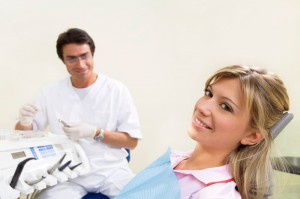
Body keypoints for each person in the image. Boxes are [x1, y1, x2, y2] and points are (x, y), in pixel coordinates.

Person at [116, 65, 290, 199]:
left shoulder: (214, 194)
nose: (202, 106)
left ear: (252, 136)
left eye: (225, 106)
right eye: (209, 94)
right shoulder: (176, 161)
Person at [15, 28, 142, 198]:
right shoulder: (51, 93)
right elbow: (24, 136)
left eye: (84, 56)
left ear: (92, 54)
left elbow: (131, 142)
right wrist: (24, 123)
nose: (80, 65)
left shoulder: (116, 90)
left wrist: (96, 133)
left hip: (111, 171)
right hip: (67, 175)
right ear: (63, 61)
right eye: (72, 59)